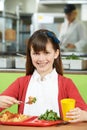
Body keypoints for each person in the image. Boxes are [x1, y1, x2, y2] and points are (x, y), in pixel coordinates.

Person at [0, 29, 87, 122]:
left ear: (56, 53)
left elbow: (84, 112)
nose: (41, 59)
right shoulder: (21, 83)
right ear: (30, 54)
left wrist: (83, 115)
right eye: (36, 53)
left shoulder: (66, 84)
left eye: (46, 53)